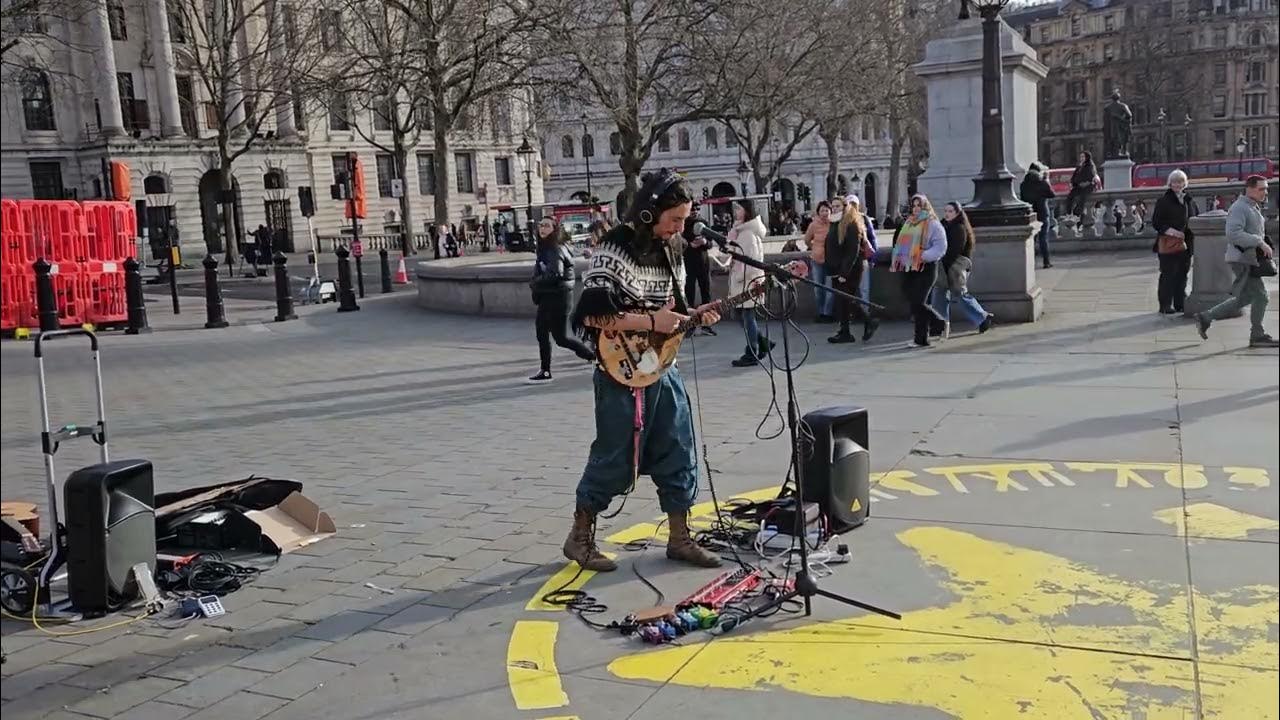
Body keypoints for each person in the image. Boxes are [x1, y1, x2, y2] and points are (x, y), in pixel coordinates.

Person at [565, 170, 724, 572]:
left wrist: (694, 315)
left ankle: (680, 537)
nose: (680, 228)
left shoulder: (673, 248)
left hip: (662, 366)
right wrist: (652, 321)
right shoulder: (615, 246)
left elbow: (672, 311)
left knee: (679, 446)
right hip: (619, 372)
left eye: (685, 220)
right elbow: (593, 315)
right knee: (615, 454)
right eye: (675, 219)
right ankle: (579, 537)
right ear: (651, 212)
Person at [1195, 175, 1278, 348]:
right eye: (1261, 189)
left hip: (1249, 259)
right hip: (1242, 260)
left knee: (1245, 298)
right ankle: (1257, 335)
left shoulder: (1252, 206)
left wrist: (1263, 241)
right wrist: (1259, 242)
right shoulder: (1240, 208)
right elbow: (1233, 234)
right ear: (1249, 189)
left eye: (1266, 189)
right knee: (1261, 296)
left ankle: (1206, 317)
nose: (1265, 192)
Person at [527, 218, 596, 384]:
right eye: (540, 225)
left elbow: (555, 274)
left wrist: (535, 283)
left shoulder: (554, 248)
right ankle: (590, 356)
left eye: (546, 226)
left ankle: (547, 370)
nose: (542, 228)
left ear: (555, 229)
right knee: (553, 336)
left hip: (556, 297)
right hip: (553, 296)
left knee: (552, 335)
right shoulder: (547, 248)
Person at [711, 199, 772, 366]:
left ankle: (753, 351)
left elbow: (751, 261)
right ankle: (762, 344)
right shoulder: (742, 231)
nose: (735, 212)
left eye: (738, 209)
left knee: (747, 316)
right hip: (744, 280)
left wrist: (737, 275)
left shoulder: (748, 234)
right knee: (743, 316)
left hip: (747, 281)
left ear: (747, 211)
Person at [889, 194, 948, 348]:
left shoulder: (933, 224)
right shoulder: (909, 222)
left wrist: (922, 255)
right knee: (914, 303)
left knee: (918, 302)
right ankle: (920, 338)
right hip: (909, 266)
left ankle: (938, 321)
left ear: (925, 207)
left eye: (919, 206)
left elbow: (941, 247)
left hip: (926, 267)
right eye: (914, 206)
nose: (916, 209)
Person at [930, 202, 994, 337]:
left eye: (950, 211)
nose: (947, 214)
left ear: (957, 213)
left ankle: (982, 317)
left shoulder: (959, 228)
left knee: (959, 294)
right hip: (945, 265)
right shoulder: (943, 226)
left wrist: (943, 264)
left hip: (954, 266)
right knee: (939, 294)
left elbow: (954, 251)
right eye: (946, 211)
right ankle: (939, 325)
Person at [825, 197, 879, 344]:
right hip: (837, 268)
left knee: (847, 299)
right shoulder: (835, 223)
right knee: (843, 300)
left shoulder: (852, 224)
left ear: (845, 207)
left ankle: (867, 322)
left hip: (850, 268)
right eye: (832, 206)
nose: (834, 209)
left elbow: (852, 251)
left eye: (837, 206)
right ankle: (846, 331)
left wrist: (844, 272)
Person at [1151, 169, 1197, 315]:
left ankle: (1180, 303)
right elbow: (1157, 222)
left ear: (1185, 183)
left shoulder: (1189, 200)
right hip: (1168, 243)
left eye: (1181, 181)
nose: (1178, 184)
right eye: (1175, 182)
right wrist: (1173, 232)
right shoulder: (1163, 201)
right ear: (1170, 184)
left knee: (1182, 274)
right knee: (1168, 274)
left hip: (1186, 244)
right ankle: (1165, 305)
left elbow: (1195, 219)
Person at [682, 206, 716, 336]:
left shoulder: (704, 223)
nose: (695, 211)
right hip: (689, 263)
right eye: (692, 209)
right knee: (689, 293)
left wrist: (704, 242)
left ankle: (707, 325)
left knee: (706, 293)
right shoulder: (684, 223)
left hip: (703, 263)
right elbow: (679, 242)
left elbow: (711, 244)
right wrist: (689, 245)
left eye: (697, 208)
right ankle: (689, 325)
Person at [1020, 163, 1056, 269]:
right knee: (1043, 238)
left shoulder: (1023, 184)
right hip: (1042, 212)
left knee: (1031, 239)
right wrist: (1046, 180)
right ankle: (1046, 261)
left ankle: (1031, 262)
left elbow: (1023, 199)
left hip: (1031, 214)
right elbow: (1052, 194)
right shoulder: (1041, 182)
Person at [803, 200, 834, 321]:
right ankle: (821, 312)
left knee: (830, 289)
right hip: (816, 261)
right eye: (822, 211)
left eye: (827, 210)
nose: (825, 213)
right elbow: (807, 240)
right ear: (818, 212)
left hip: (831, 261)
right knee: (818, 288)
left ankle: (827, 313)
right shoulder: (813, 225)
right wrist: (814, 248)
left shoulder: (834, 224)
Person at [847, 194, 878, 304]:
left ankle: (865, 309)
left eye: (854, 204)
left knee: (864, 288)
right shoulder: (843, 220)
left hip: (862, 258)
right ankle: (851, 310)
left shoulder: (864, 219)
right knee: (849, 288)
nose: (851, 207)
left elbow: (872, 239)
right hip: (847, 260)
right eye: (849, 204)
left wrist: (872, 259)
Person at [1065, 151, 1098, 218]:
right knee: (1070, 196)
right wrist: (1073, 182)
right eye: (1081, 157)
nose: (1081, 158)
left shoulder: (1090, 166)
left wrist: (1084, 183)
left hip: (1088, 186)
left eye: (1083, 157)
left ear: (1087, 157)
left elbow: (1091, 177)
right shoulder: (1080, 166)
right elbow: (1074, 176)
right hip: (1079, 186)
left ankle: (1078, 213)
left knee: (1082, 198)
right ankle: (1068, 212)